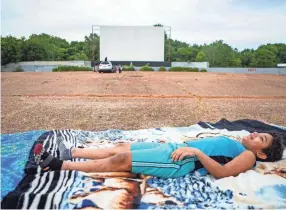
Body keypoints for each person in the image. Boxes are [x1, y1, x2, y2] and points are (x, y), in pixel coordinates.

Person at [34, 132, 284, 179]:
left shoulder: (248, 157)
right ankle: (71, 151)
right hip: (174, 147)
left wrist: (195, 151)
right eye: (257, 132)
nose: (253, 134)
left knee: (122, 161)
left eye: (260, 139)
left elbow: (222, 172)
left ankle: (58, 165)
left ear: (261, 154)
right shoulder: (235, 141)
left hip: (180, 162)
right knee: (122, 148)